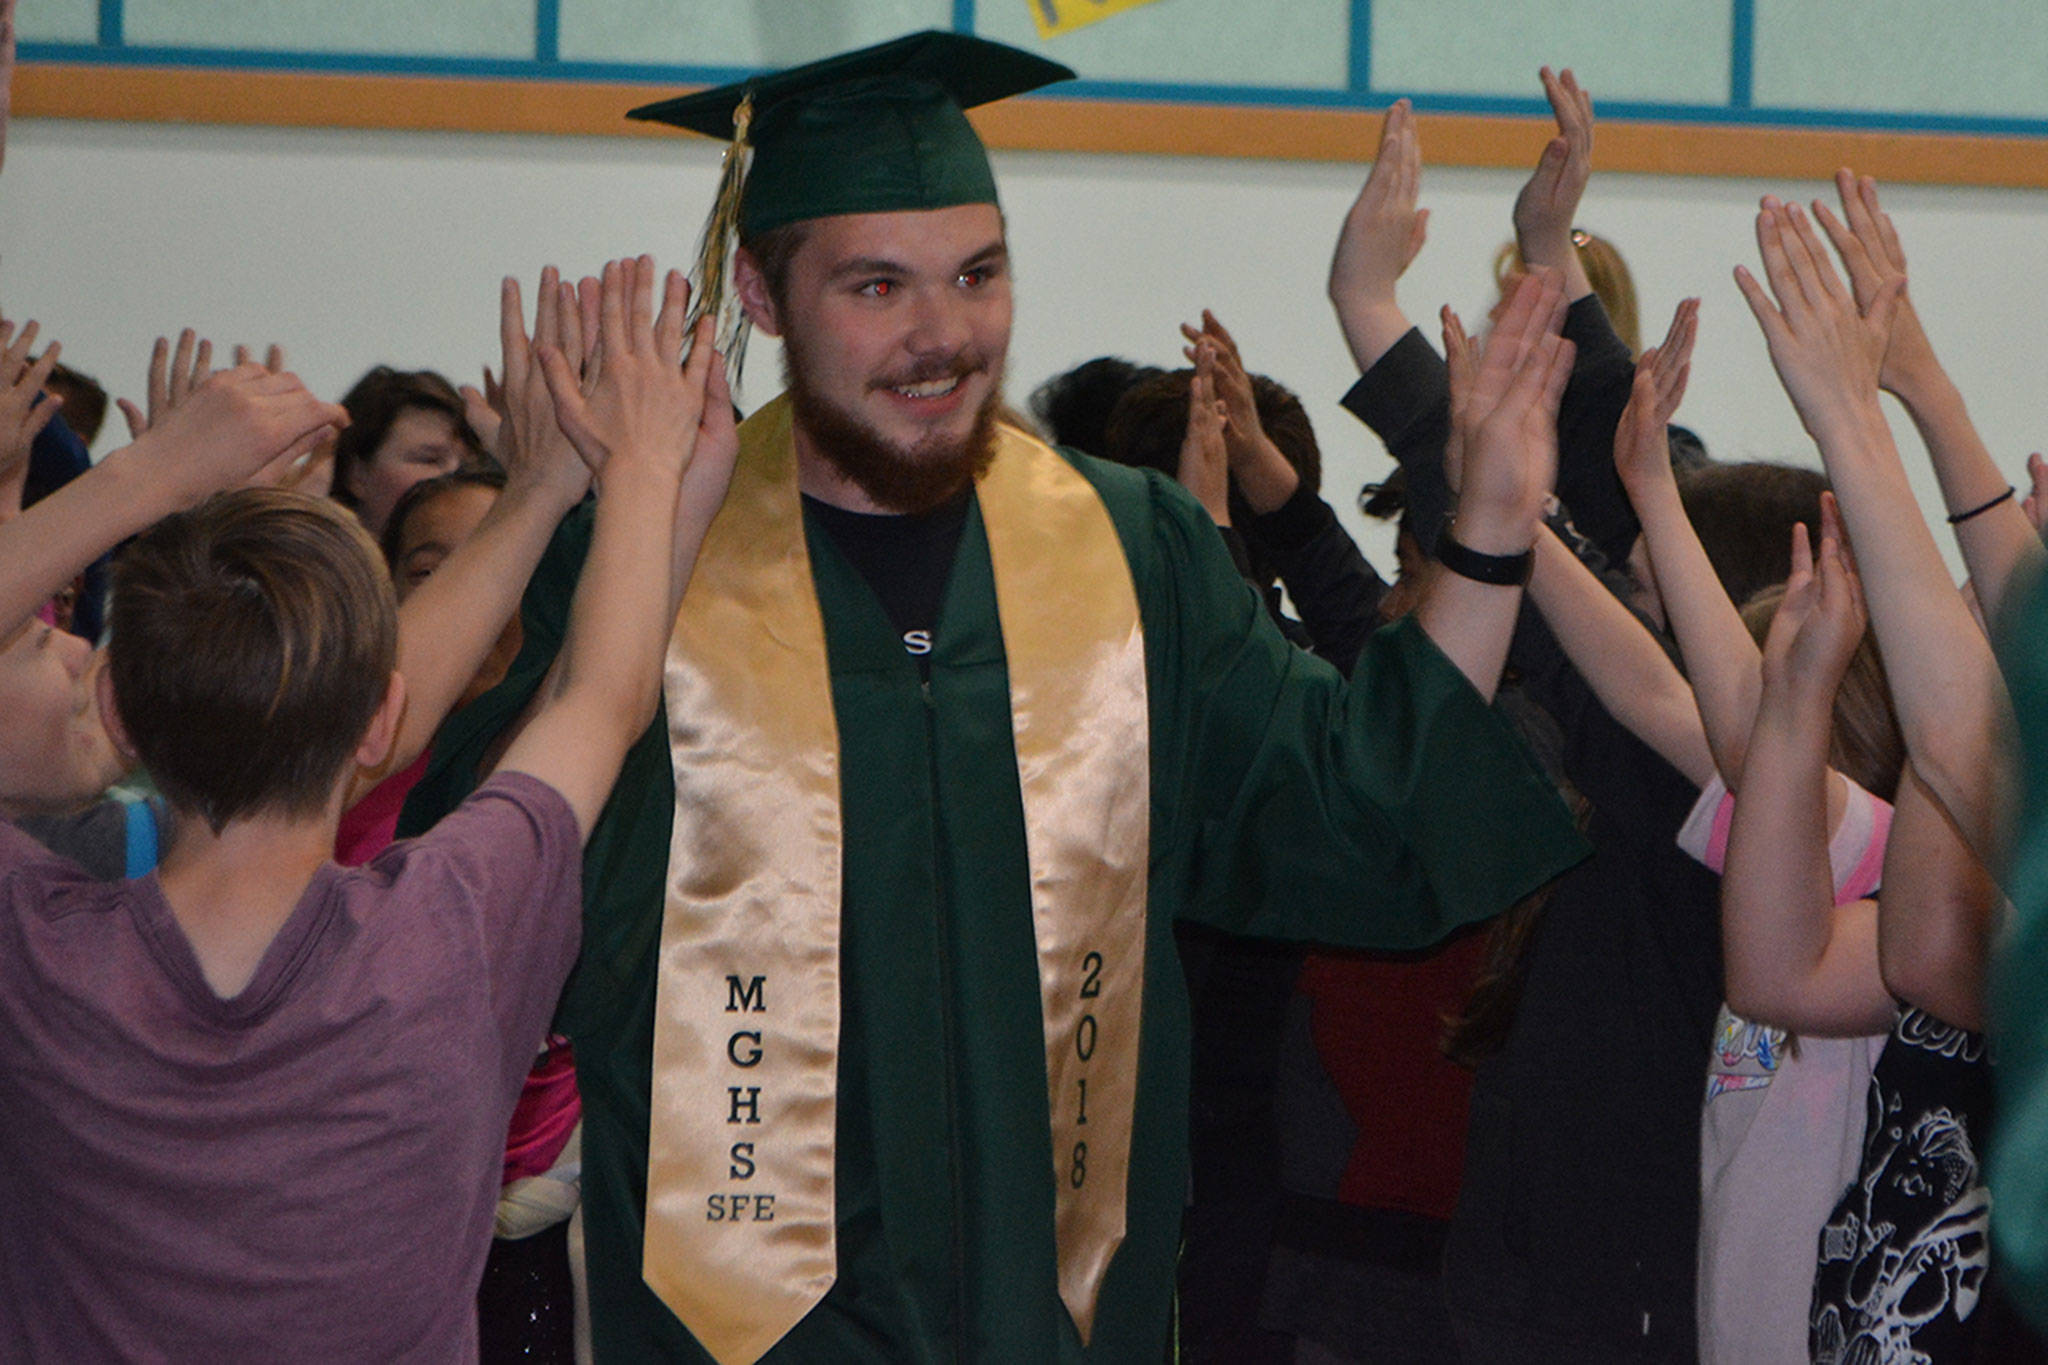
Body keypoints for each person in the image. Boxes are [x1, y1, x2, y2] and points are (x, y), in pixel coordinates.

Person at [402, 30, 1588, 1365]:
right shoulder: (652, 556)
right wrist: (583, 509)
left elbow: (1355, 806)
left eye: (977, 273)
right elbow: (484, 904)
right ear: (762, 293)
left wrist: (1490, 532)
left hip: (1059, 1323)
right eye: (877, 285)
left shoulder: (1129, 553)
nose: (942, 334)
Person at [0, 266, 735, 1358]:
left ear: (118, 712)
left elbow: (583, 698)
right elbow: (601, 697)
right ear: (380, 719)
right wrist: (640, 475)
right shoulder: (451, 927)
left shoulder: (32, 952)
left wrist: (151, 476)